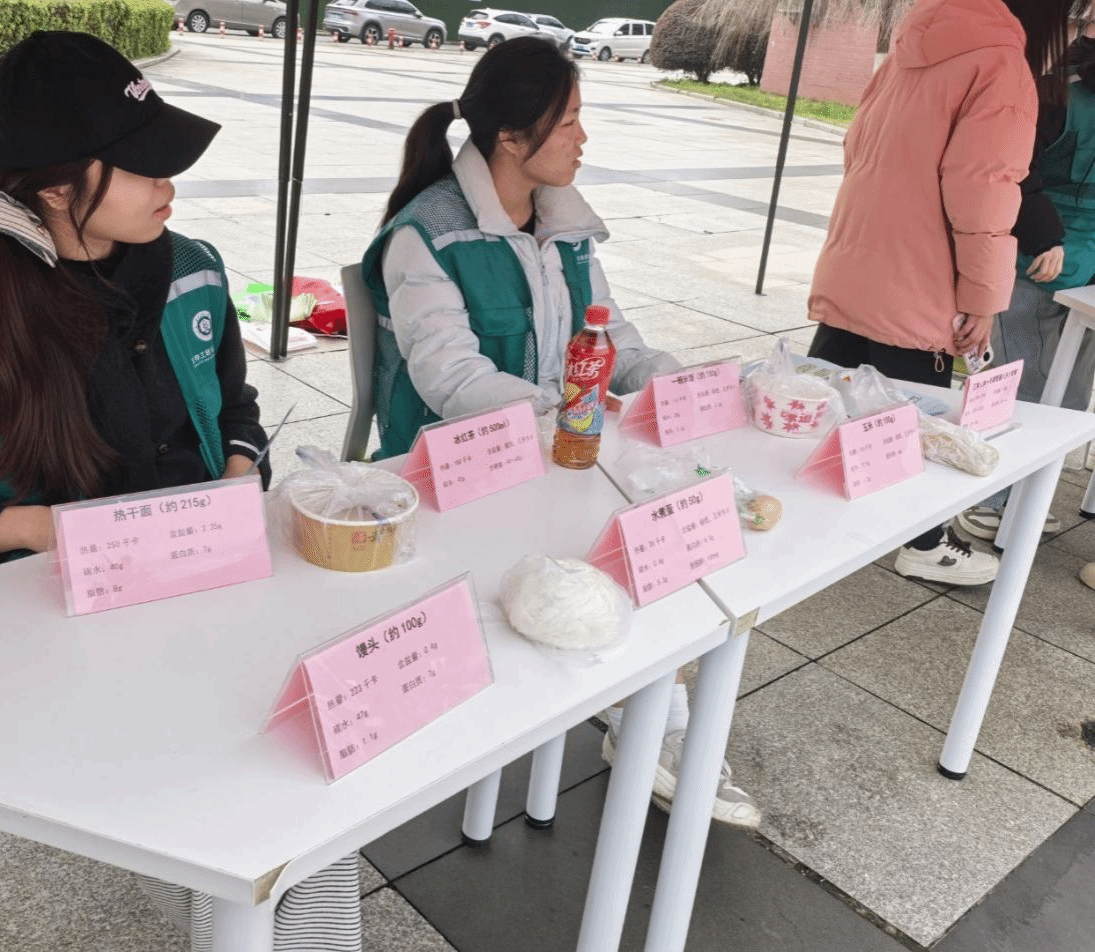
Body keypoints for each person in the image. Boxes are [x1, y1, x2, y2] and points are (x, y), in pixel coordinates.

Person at [0, 30, 360, 952]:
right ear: (55, 185)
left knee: (308, 761)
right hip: (38, 636)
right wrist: (44, 531)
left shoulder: (190, 271)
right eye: (144, 163)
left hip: (196, 599)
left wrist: (239, 474)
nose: (170, 183)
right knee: (262, 787)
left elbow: (235, 408)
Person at [361, 36, 759, 827]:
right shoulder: (426, 234)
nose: (583, 138)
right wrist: (567, 416)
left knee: (664, 530)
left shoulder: (565, 225)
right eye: (570, 120)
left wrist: (682, 385)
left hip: (557, 455)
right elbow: (452, 381)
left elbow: (615, 341)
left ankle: (653, 712)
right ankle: (656, 721)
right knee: (628, 539)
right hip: (455, 477)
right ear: (513, 137)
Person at [807, 0, 1080, 586]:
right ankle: (924, 543)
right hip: (921, 277)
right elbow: (986, 189)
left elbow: (858, 147)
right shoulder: (999, 63)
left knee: (827, 393)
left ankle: (806, 516)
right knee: (918, 416)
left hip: (858, 254)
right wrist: (983, 297)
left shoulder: (911, 47)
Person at [958, 19, 1095, 545]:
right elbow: (1014, 172)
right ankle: (990, 498)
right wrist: (1043, 236)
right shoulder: (1052, 88)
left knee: (1067, 389)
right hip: (1036, 255)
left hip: (1076, 264)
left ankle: (1025, 495)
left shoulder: (1055, 82)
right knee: (1021, 380)